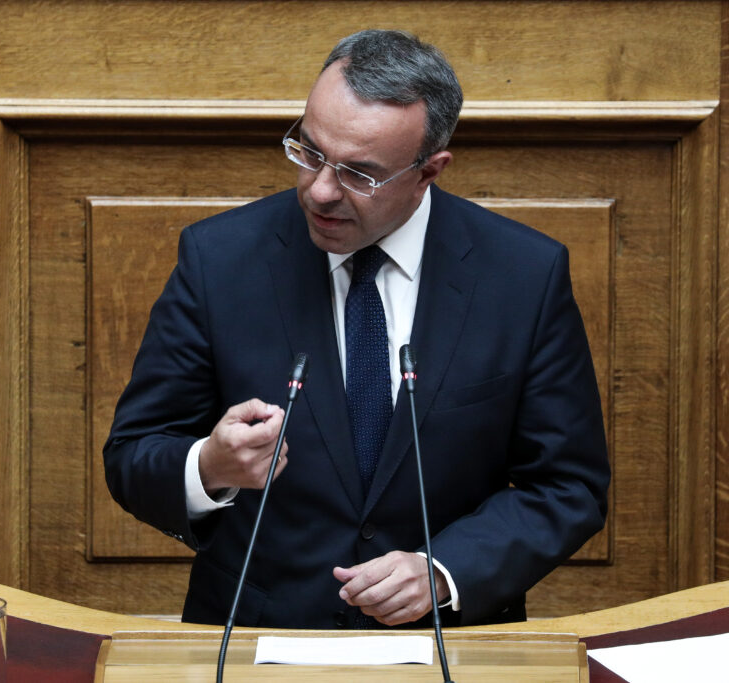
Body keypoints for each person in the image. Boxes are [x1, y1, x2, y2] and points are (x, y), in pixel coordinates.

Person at [103, 29, 609, 629]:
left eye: (359, 175)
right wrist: (209, 467)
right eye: (310, 152)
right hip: (257, 636)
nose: (320, 190)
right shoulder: (219, 259)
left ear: (429, 171)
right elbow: (133, 454)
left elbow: (568, 486)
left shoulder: (523, 275)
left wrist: (445, 570)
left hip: (446, 645)